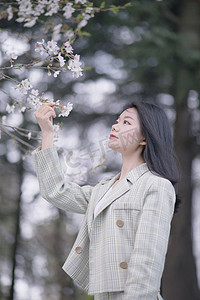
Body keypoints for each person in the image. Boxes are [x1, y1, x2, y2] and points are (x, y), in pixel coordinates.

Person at [32, 100, 181, 300]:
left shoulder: (156, 186)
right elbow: (55, 191)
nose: (115, 125)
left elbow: (148, 262)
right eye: (117, 120)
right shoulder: (103, 189)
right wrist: (47, 133)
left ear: (145, 137)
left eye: (126, 122)